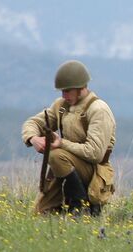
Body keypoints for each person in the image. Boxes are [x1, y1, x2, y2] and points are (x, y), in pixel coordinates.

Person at [20, 60, 116, 216]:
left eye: (67, 91)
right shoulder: (61, 105)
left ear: (81, 88)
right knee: (42, 212)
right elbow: (33, 123)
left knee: (55, 155)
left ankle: (80, 201)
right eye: (62, 91)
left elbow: (95, 154)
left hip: (93, 169)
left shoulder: (98, 109)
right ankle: (68, 204)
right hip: (68, 164)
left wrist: (61, 143)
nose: (63, 95)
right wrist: (33, 138)